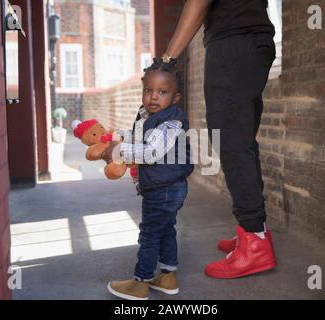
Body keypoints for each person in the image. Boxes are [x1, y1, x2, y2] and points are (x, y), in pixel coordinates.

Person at [160, 0, 278, 279]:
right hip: (254, 41)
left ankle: (255, 243)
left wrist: (167, 60)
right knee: (241, 140)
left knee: (232, 142)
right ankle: (255, 232)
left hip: (233, 44)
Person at [103, 58, 194, 300]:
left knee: (150, 233)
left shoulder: (172, 122)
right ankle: (167, 276)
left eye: (162, 92)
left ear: (175, 98)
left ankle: (140, 282)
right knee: (165, 229)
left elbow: (152, 152)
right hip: (162, 186)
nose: (153, 97)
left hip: (165, 188)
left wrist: (118, 151)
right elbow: (139, 138)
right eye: (148, 90)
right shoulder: (147, 114)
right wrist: (118, 138)